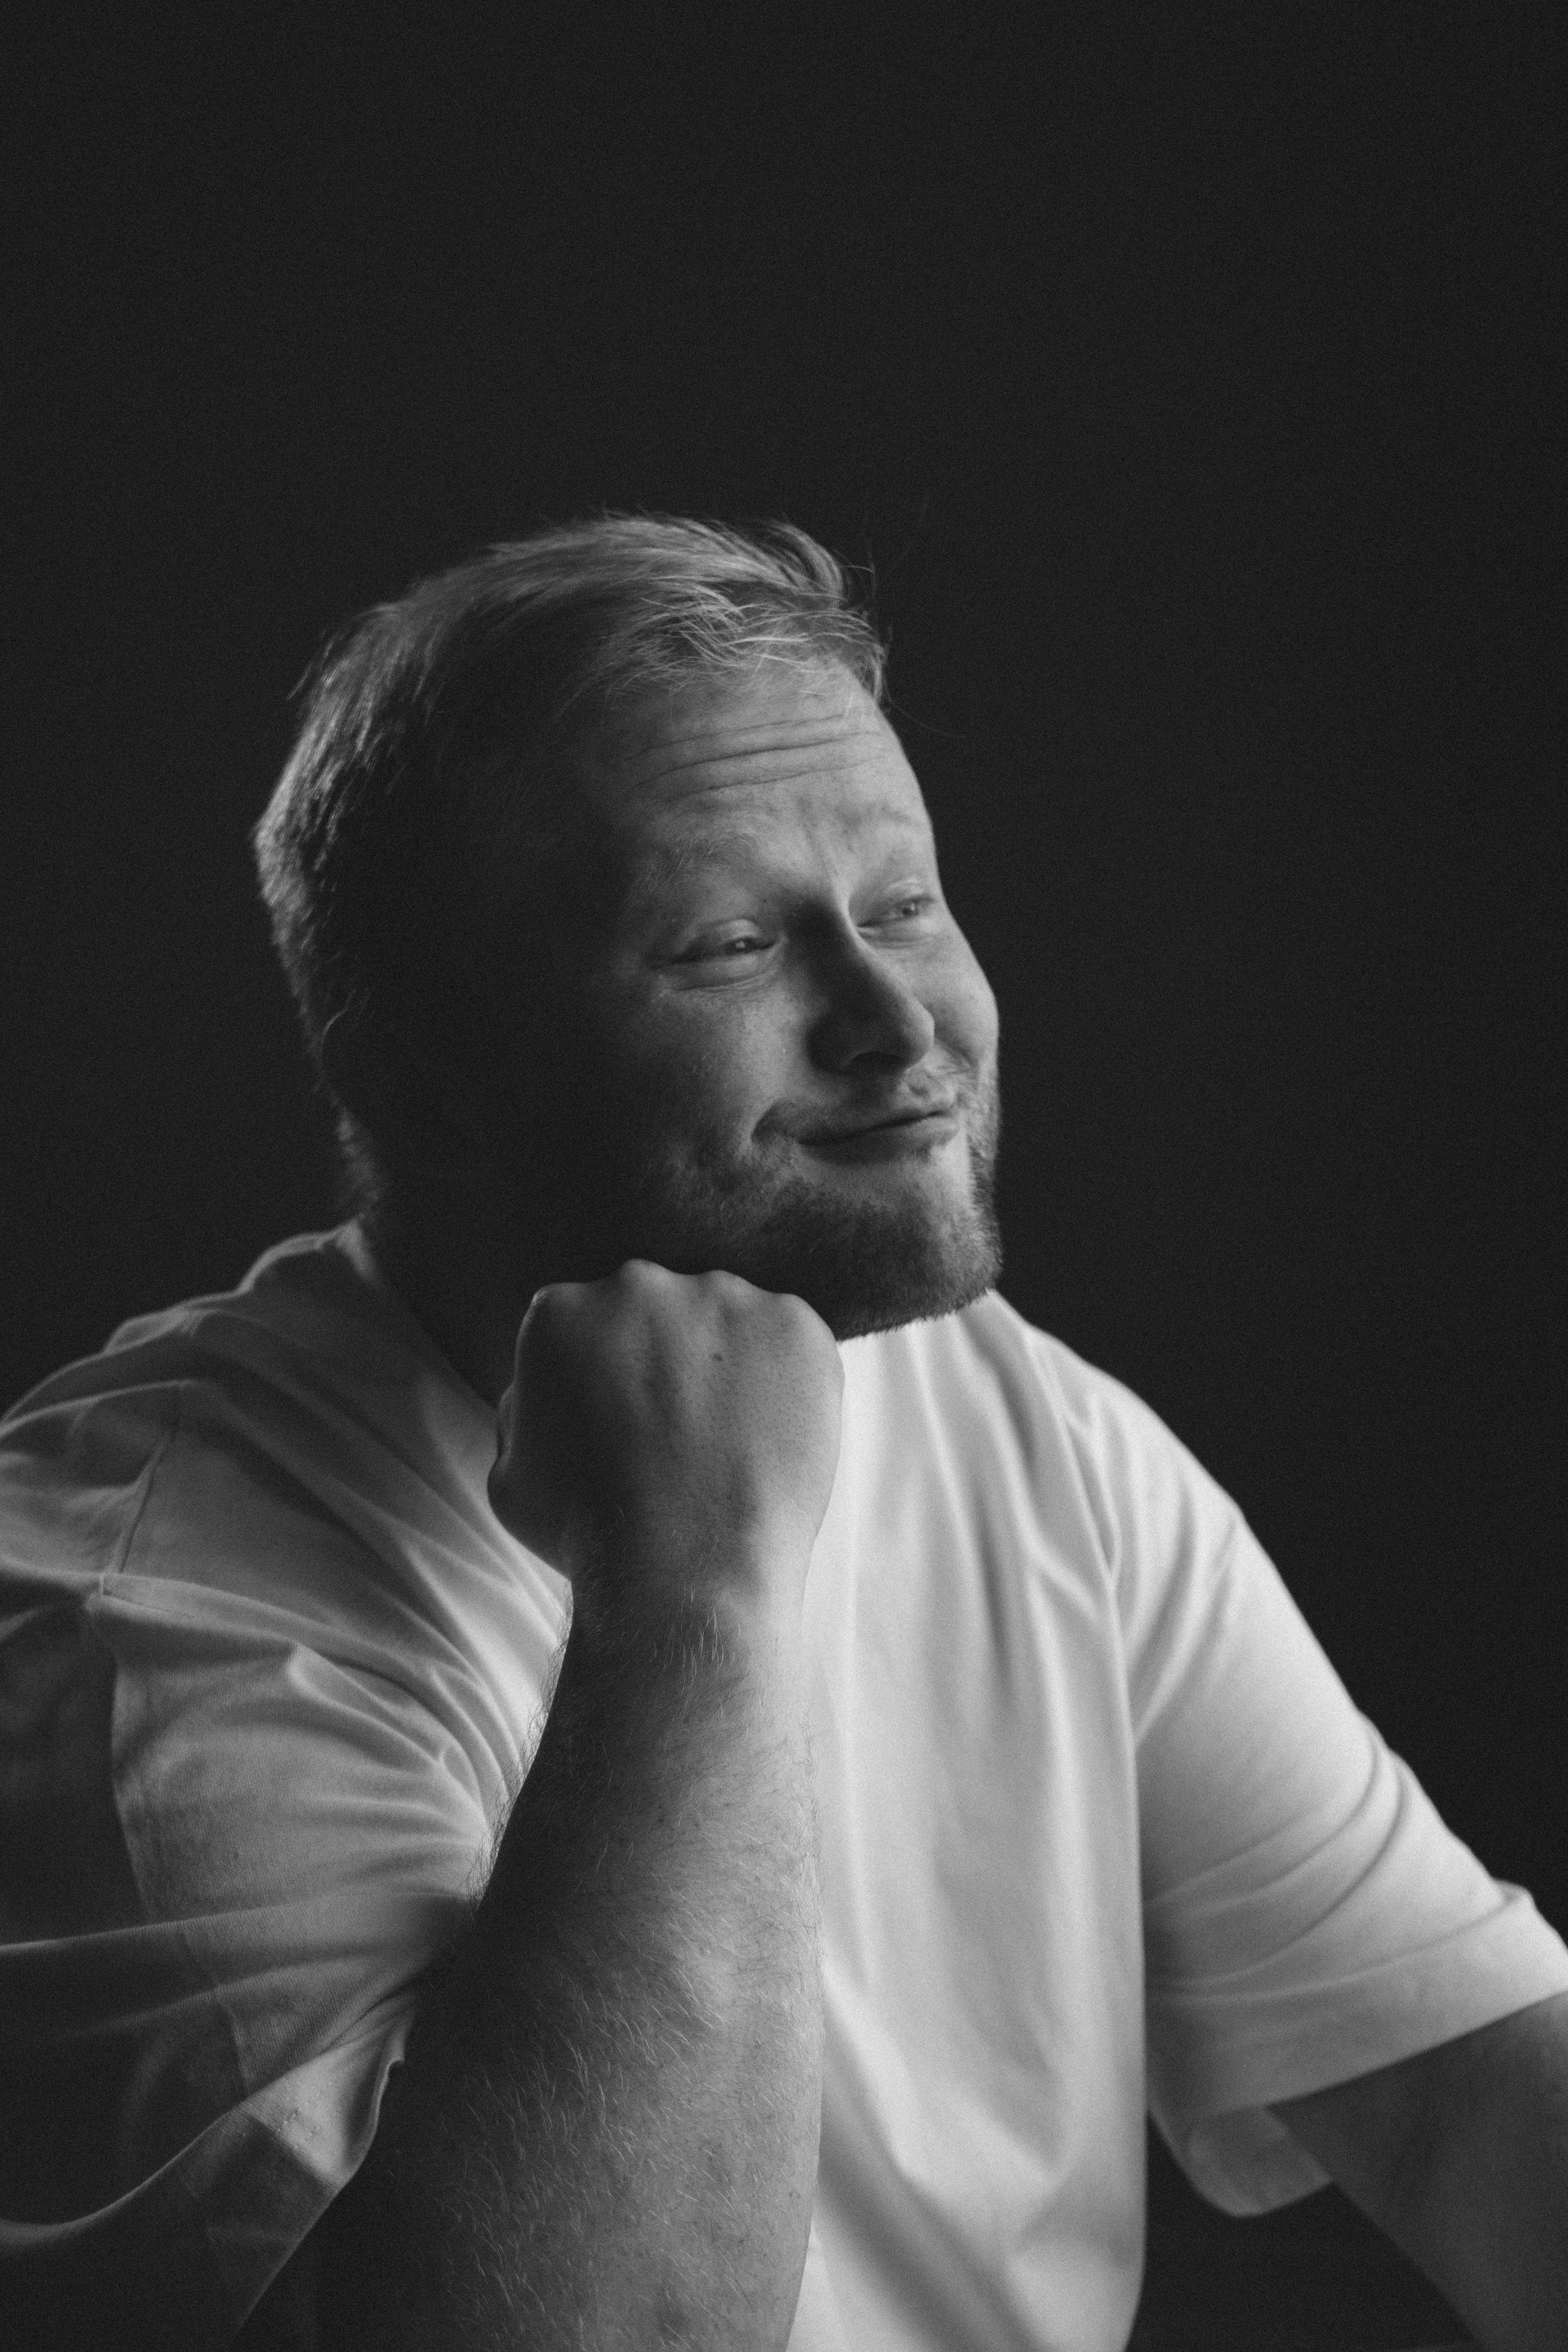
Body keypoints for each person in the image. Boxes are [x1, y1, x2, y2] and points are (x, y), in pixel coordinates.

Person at [2, 516, 1565, 2352]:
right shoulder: (135, 1631)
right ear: (426, 1079)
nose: (899, 1026)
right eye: (733, 944)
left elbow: (1462, 2101)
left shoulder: (1015, 1420)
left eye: (902, 908)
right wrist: (693, 1597)